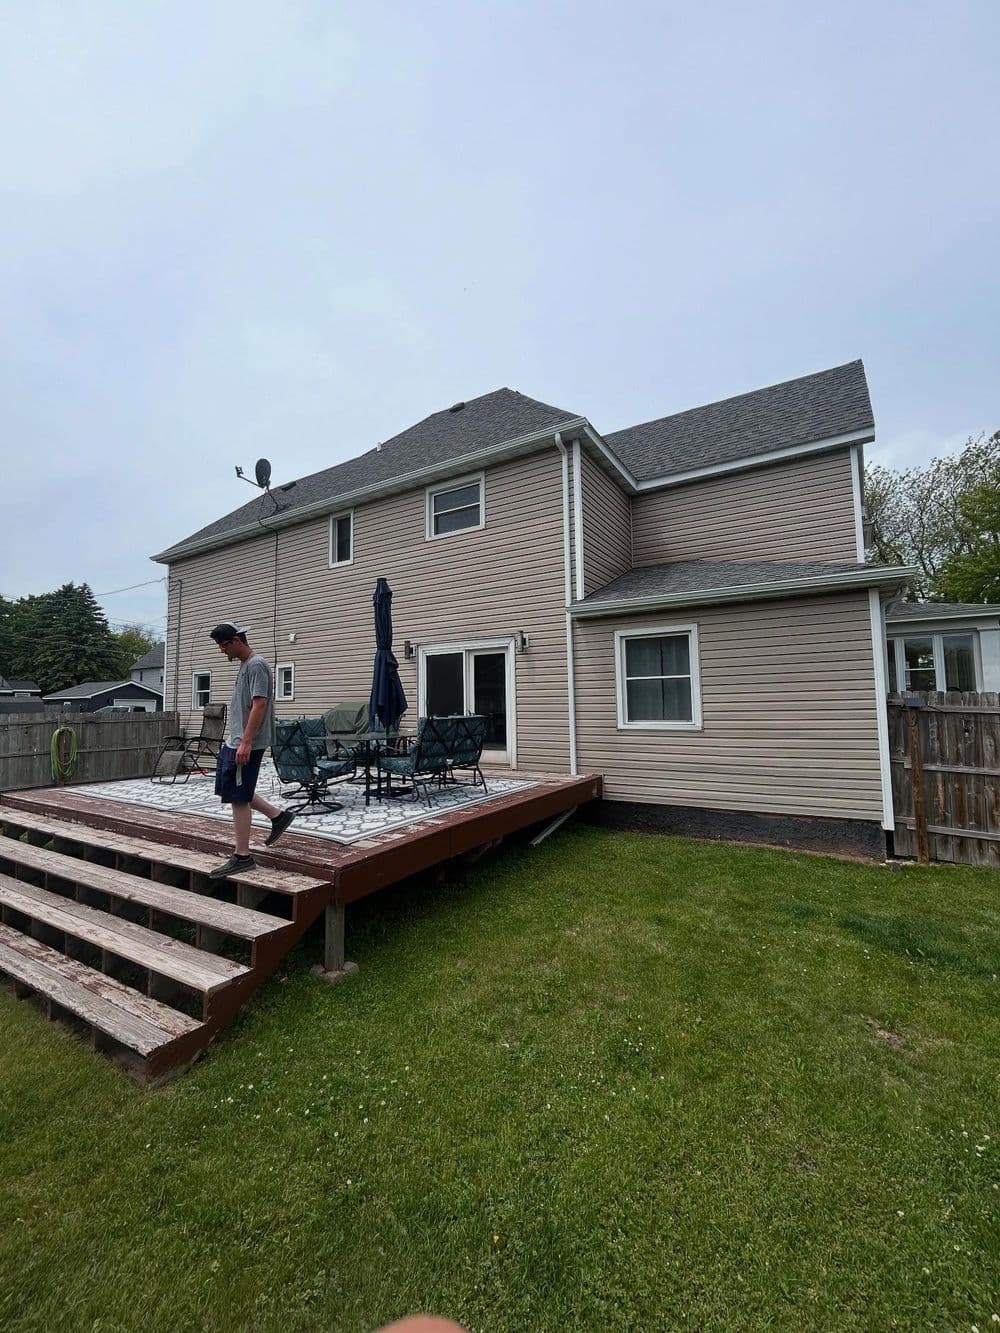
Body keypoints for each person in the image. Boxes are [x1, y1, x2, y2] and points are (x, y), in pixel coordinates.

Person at [207, 621, 294, 878]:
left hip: (247, 742)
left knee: (238, 796)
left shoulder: (256, 665)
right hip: (235, 740)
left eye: (223, 646)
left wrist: (245, 742)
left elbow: (260, 705)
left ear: (236, 641)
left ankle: (242, 856)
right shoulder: (246, 665)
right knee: (231, 788)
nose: (222, 651)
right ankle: (277, 817)